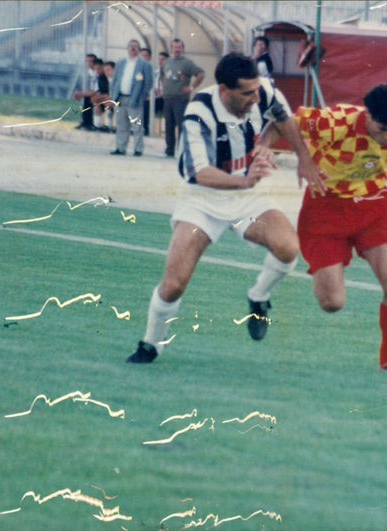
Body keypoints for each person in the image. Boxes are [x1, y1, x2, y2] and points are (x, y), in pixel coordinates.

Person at [126, 53, 322, 364]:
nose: (255, 97)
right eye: (247, 94)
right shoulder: (198, 113)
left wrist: (303, 158)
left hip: (248, 197)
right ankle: (151, 344)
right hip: (201, 199)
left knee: (287, 248)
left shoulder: (263, 91)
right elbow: (199, 173)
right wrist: (244, 180)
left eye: (257, 90)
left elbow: (284, 119)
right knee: (174, 283)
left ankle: (258, 298)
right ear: (224, 90)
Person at [261, 82, 387, 375]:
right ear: (367, 115)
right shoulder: (335, 121)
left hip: (373, 205)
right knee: (332, 302)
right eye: (382, 129)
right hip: (325, 209)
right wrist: (265, 151)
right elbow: (283, 123)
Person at [108, 39, 153, 156]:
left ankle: (138, 149)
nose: (133, 48)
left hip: (135, 99)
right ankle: (120, 147)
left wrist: (142, 95)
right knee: (121, 124)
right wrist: (113, 96)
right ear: (127, 48)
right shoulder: (121, 63)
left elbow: (148, 82)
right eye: (131, 46)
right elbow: (115, 80)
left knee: (137, 126)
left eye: (136, 46)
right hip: (120, 97)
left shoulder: (144, 65)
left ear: (139, 50)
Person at [162, 38, 206, 157]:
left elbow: (200, 74)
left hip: (180, 99)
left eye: (179, 47)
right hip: (167, 98)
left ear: (182, 49)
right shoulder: (167, 62)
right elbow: (162, 74)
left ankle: (182, 150)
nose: (177, 49)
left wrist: (191, 88)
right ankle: (169, 150)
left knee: (181, 125)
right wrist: (162, 87)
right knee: (169, 125)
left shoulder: (187, 63)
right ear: (171, 49)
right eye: (175, 47)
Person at [73, 53, 98, 131]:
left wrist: (81, 94)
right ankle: (85, 122)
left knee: (89, 99)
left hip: (101, 94)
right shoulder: (89, 73)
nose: (89, 63)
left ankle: (90, 124)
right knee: (87, 99)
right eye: (87, 61)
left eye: (91, 61)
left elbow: (95, 91)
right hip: (94, 94)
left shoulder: (97, 73)